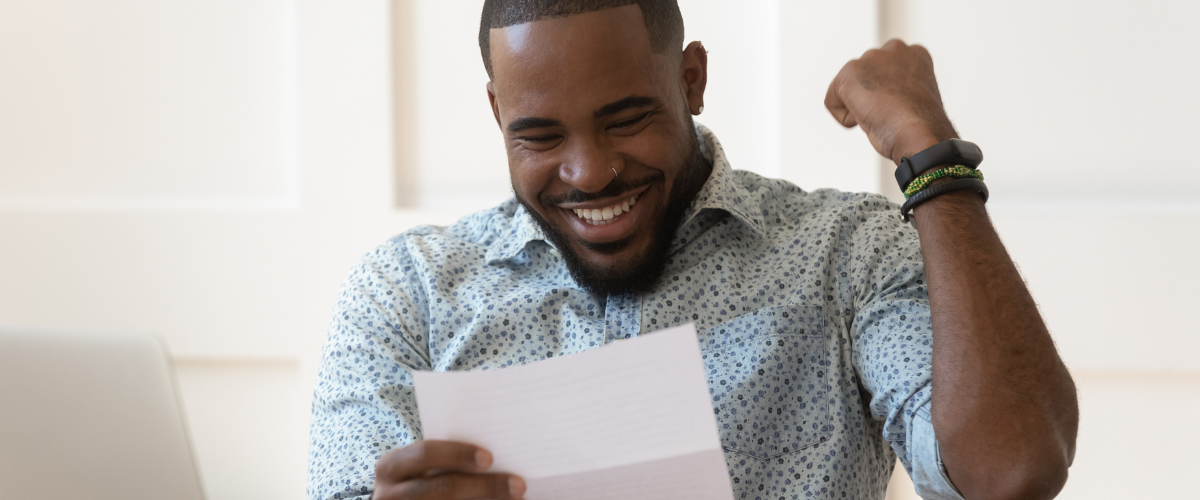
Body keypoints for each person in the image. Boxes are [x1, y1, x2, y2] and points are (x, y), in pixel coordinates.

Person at [306, 1, 1079, 499]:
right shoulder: (405, 293)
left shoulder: (847, 255)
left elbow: (1009, 471)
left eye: (626, 119)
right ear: (496, 109)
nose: (590, 172)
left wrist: (932, 156)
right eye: (539, 135)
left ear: (692, 78)